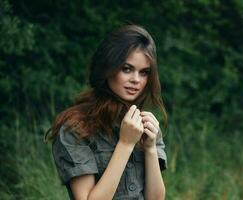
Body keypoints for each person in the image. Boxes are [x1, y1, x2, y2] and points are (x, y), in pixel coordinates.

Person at [45, 24, 168, 200]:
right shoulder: (76, 128)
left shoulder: (145, 124)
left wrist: (149, 148)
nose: (136, 80)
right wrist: (125, 144)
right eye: (127, 69)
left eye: (144, 72)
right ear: (107, 68)